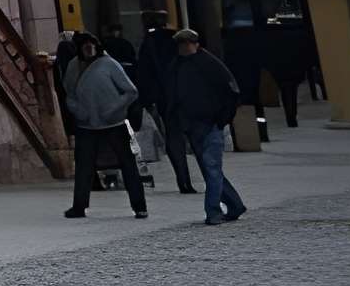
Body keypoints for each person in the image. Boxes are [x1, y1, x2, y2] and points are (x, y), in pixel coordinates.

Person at [59, 30, 148, 218]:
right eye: (85, 46)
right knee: (84, 167)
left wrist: (113, 109)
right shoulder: (74, 66)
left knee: (128, 165)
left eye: (92, 45)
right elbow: (69, 94)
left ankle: (139, 206)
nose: (89, 49)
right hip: (86, 124)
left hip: (113, 123)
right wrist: (78, 110)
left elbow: (131, 91)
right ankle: (79, 206)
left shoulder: (109, 64)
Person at [166, 26, 249, 224]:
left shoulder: (209, 64)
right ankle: (235, 205)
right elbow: (172, 94)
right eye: (181, 44)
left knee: (211, 167)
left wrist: (222, 119)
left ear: (196, 44)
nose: (185, 47)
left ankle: (212, 211)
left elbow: (231, 92)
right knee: (209, 168)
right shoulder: (176, 65)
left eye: (188, 43)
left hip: (210, 123)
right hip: (191, 123)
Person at [135, 25, 195, 197]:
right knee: (192, 138)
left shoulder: (151, 48)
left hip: (164, 102)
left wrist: (147, 100)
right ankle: (193, 178)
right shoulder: (180, 55)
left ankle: (183, 179)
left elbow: (144, 75)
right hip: (184, 101)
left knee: (173, 136)